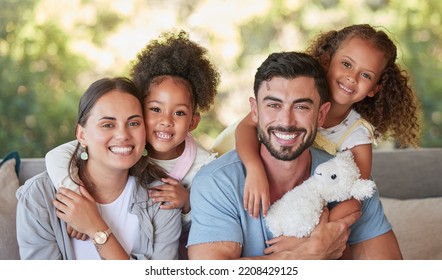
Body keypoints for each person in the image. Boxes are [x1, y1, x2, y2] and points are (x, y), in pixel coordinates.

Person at [187, 51, 402, 260]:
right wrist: (309, 253)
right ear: (255, 111)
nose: (286, 121)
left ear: (321, 115)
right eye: (273, 105)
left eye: (301, 107)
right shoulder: (216, 182)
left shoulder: (346, 179)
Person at [216, 24, 421, 238]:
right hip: (232, 161)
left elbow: (353, 195)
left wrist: (316, 235)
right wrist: (254, 169)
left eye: (366, 75)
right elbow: (245, 127)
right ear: (326, 60)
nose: (352, 77)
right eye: (346, 64)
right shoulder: (295, 94)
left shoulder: (357, 135)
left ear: (374, 89)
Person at [44, 30, 220, 260]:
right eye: (155, 110)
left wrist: (187, 202)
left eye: (179, 113)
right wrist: (78, 200)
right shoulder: (127, 139)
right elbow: (57, 155)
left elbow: (210, 220)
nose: (166, 121)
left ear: (193, 121)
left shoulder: (203, 166)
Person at [17, 77, 181, 259]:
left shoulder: (163, 200)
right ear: (82, 134)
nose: (123, 135)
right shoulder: (39, 196)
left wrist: (96, 228)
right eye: (107, 125)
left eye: (133, 123)